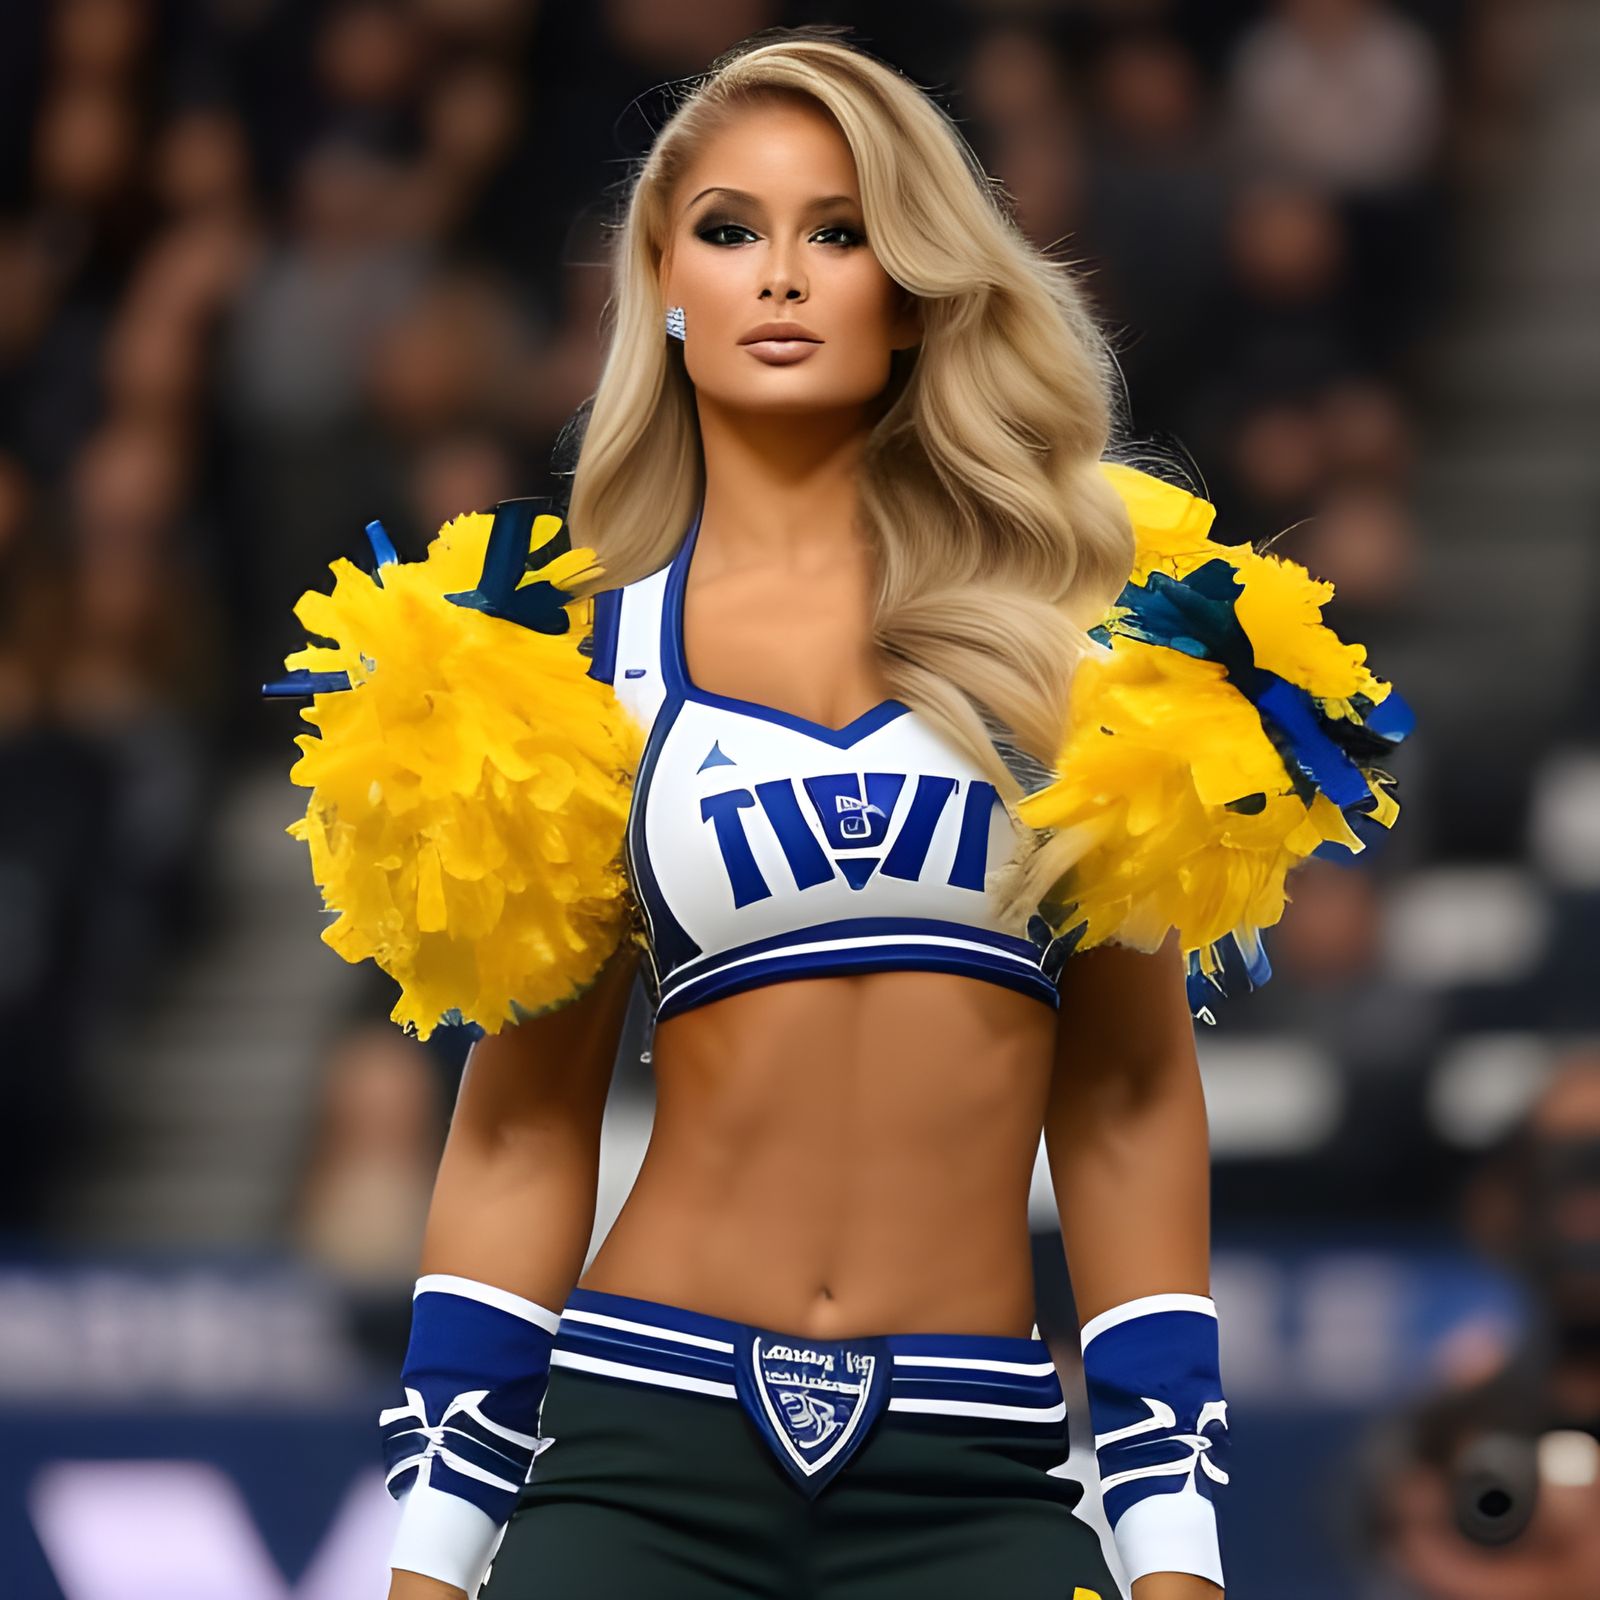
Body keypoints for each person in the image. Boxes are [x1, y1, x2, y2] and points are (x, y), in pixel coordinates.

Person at [266, 30, 1408, 1600]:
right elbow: (524, 1125)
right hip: (642, 1443)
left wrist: (1174, 1550)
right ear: (664, 291)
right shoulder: (567, 658)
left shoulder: (1087, 648)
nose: (783, 275)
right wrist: (432, 1560)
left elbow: (1132, 1100)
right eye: (731, 231)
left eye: (841, 230)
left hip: (973, 1459)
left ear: (917, 285)